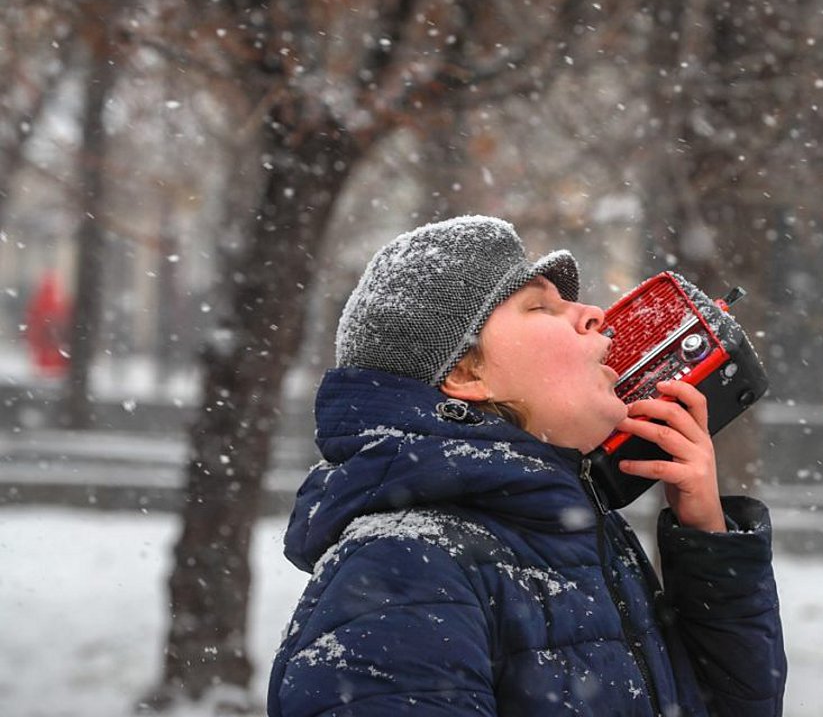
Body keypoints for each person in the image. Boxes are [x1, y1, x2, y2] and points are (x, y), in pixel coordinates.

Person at [268, 215, 786, 716]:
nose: (593, 314)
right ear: (468, 374)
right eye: (540, 307)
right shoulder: (403, 568)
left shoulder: (580, 533)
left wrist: (708, 544)